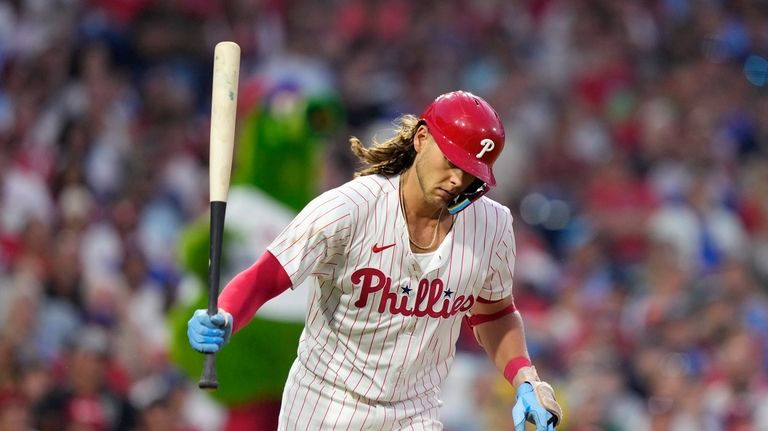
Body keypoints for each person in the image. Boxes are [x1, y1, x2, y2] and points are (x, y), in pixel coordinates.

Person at [187, 90, 562, 430]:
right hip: (325, 408)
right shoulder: (349, 208)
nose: (457, 180)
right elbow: (266, 277)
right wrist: (227, 313)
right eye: (451, 162)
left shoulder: (492, 226)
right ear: (421, 138)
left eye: (470, 172)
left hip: (415, 414)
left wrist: (524, 376)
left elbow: (493, 312)